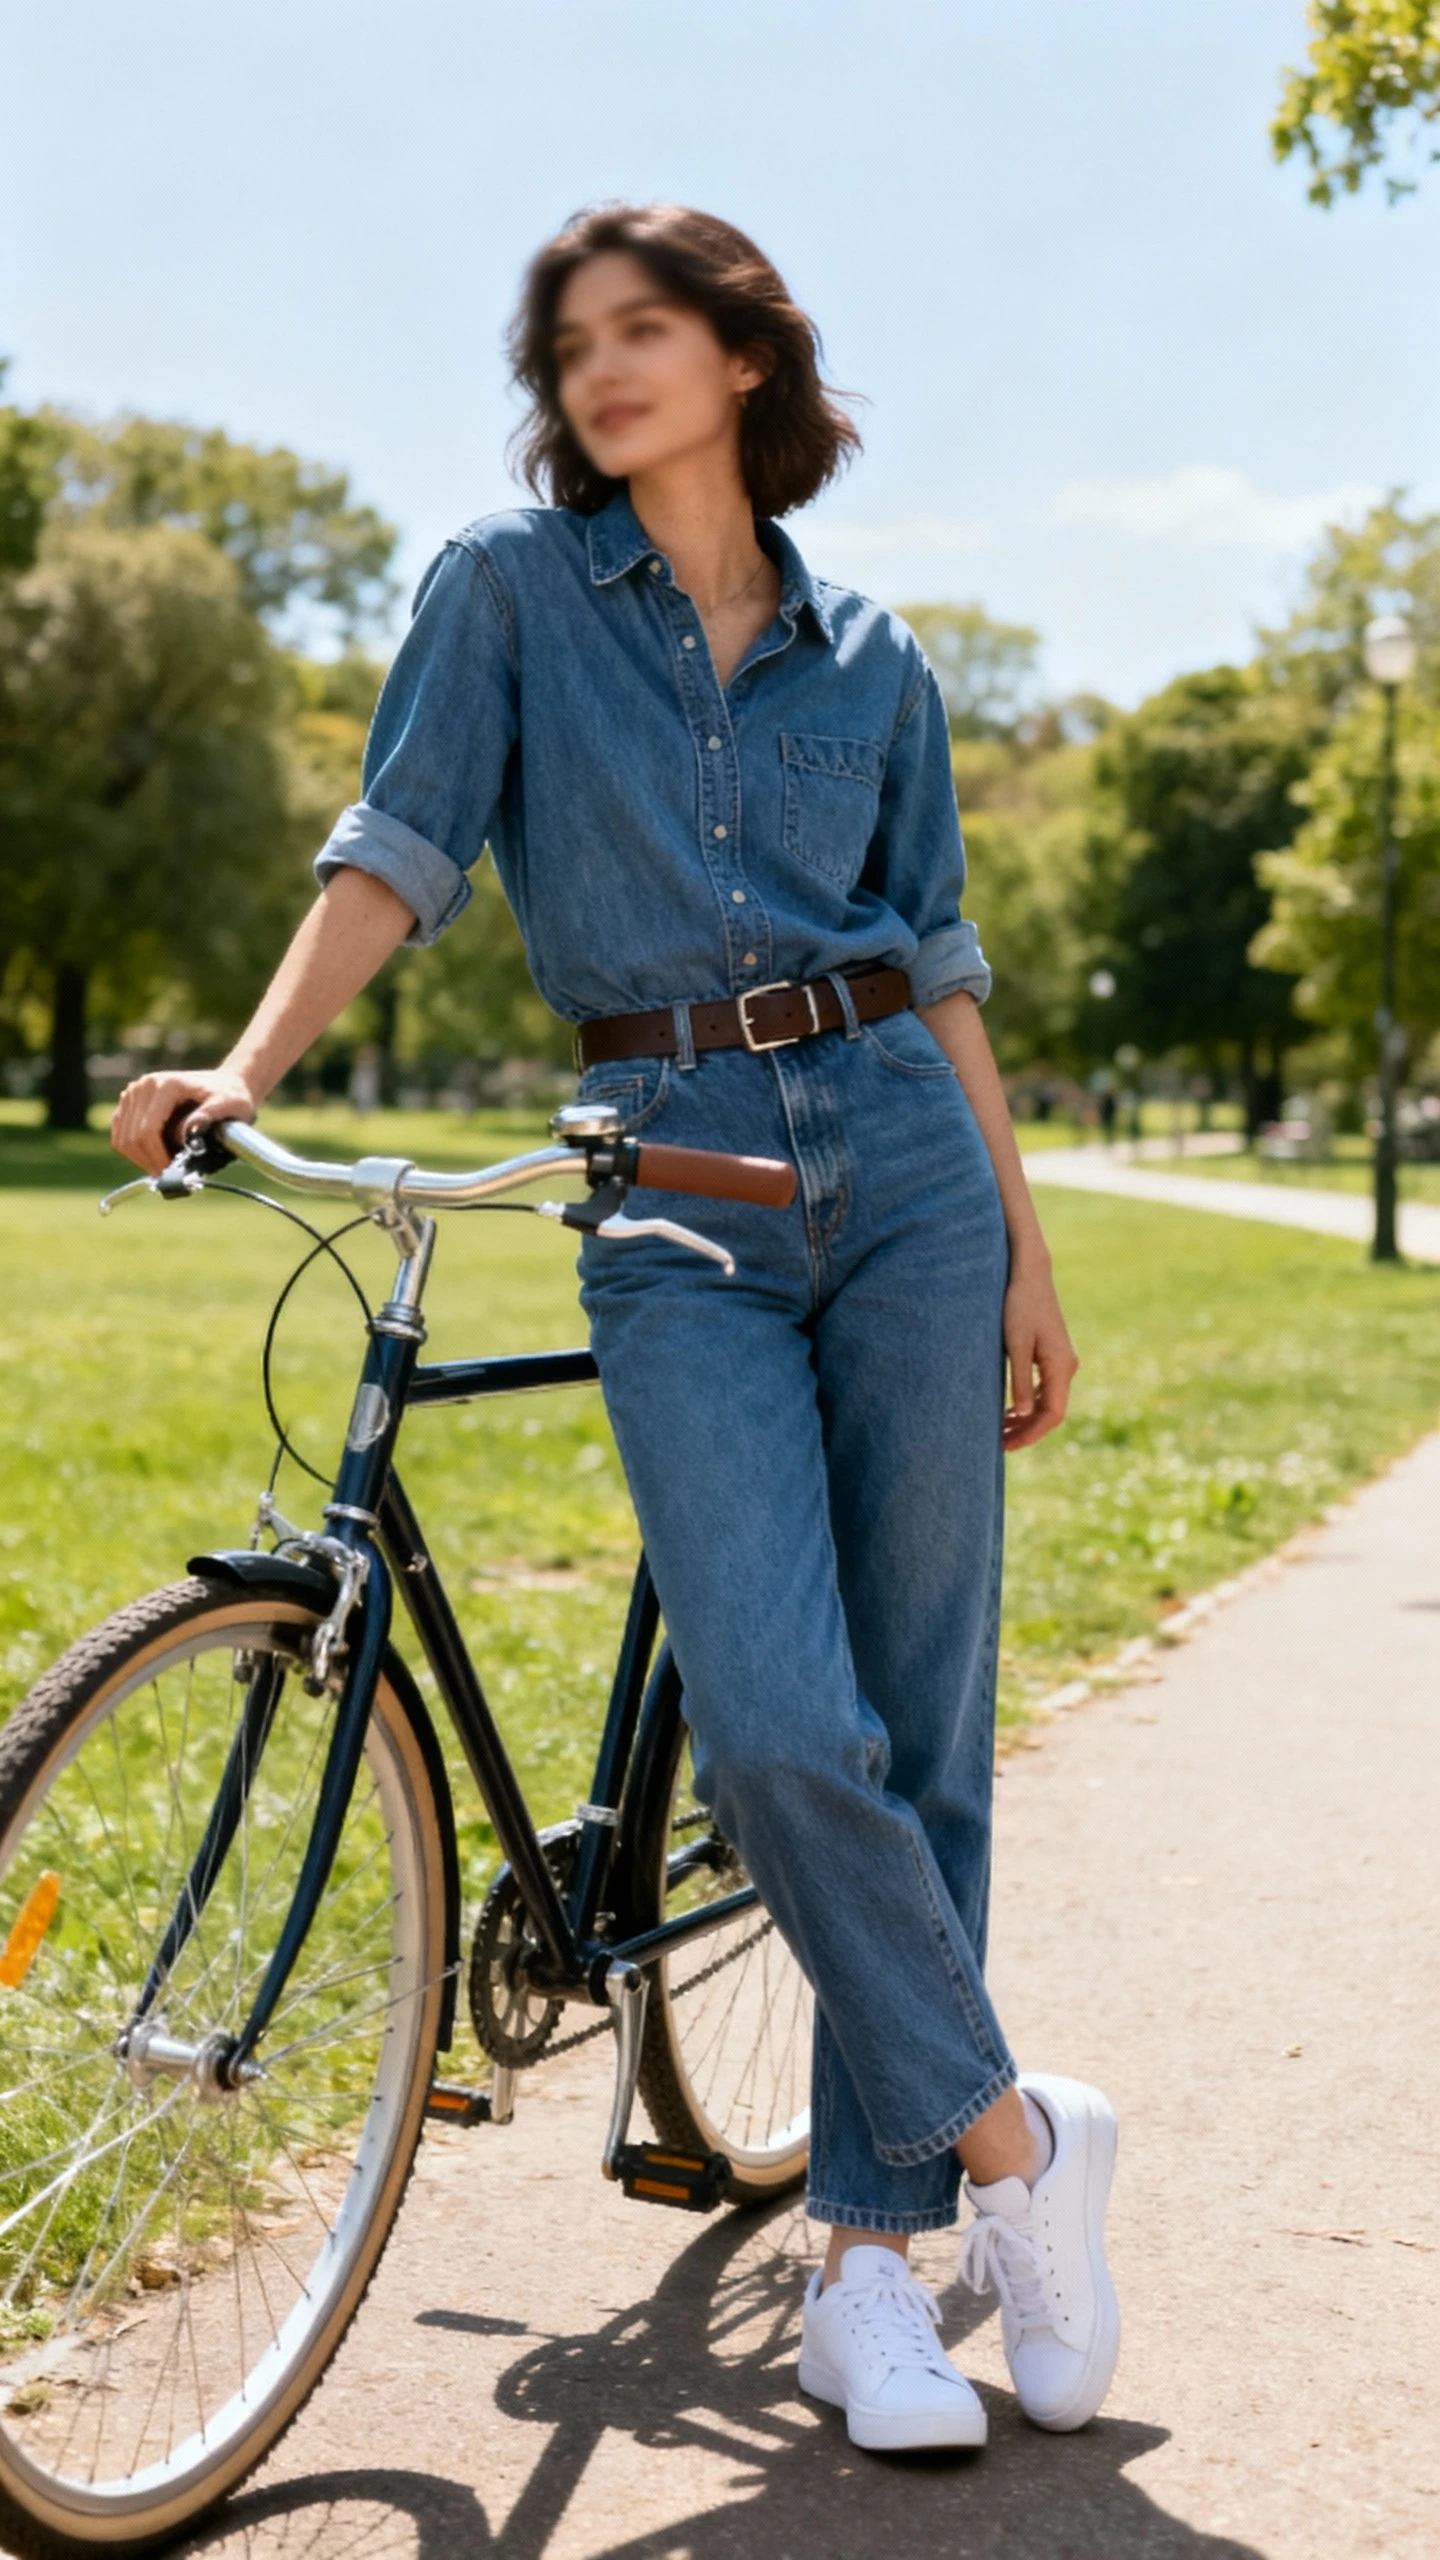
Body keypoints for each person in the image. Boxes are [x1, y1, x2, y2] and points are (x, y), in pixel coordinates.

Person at [113, 203, 1118, 2456]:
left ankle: (869, 2267)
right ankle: (1019, 2150)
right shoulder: (506, 595)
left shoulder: (878, 654)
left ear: (750, 359)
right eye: (569, 344)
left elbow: (939, 956)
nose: (598, 371)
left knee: (919, 1716)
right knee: (779, 1725)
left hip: (908, 1162)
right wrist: (253, 1064)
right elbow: (395, 846)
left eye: (645, 329)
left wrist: (1031, 1256)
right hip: (663, 1177)